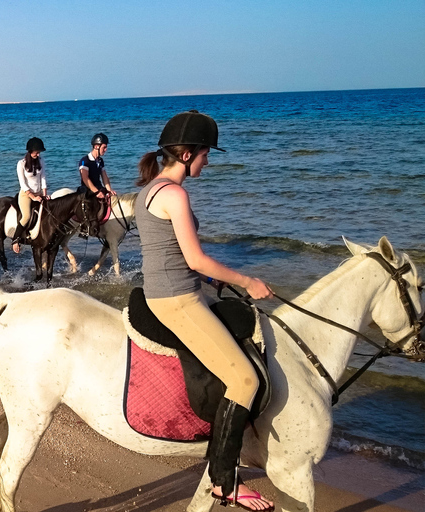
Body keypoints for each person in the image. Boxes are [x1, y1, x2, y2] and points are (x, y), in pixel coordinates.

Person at [134, 110, 275, 512]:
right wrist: (247, 280)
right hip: (178, 299)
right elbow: (194, 259)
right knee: (245, 379)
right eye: (204, 154)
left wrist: (217, 281)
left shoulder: (148, 190)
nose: (207, 161)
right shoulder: (175, 194)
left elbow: (168, 253)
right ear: (185, 153)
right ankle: (224, 483)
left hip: (177, 289)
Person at [12, 137, 48, 254]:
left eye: (39, 152)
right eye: (36, 152)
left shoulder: (41, 161)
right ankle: (15, 240)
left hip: (39, 193)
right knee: (26, 216)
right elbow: (23, 183)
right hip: (26, 194)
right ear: (30, 151)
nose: (38, 154)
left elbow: (43, 178)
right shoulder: (21, 164)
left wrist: (44, 194)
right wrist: (33, 197)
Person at [78, 133, 116, 199]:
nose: (106, 150)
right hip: (88, 191)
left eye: (106, 147)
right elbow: (85, 178)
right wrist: (97, 192)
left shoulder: (100, 161)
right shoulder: (85, 161)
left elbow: (104, 177)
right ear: (96, 146)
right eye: (104, 147)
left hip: (99, 188)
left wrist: (109, 190)